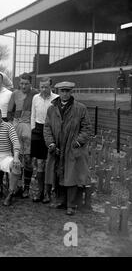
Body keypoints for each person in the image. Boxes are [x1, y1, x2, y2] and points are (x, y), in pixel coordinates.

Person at [44, 81, 92, 216]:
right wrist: (51, 144)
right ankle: (61, 201)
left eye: (67, 91)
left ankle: (71, 205)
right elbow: (47, 127)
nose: (64, 93)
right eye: (62, 91)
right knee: (58, 173)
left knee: (72, 176)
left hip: (72, 148)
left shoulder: (80, 108)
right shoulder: (52, 108)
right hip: (57, 147)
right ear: (58, 92)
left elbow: (87, 128)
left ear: (71, 92)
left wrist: (78, 142)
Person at [7, 73, 39, 199]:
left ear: (31, 84)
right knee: (17, 158)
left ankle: (26, 188)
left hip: (30, 128)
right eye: (21, 83)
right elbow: (9, 112)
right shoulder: (15, 94)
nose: (23, 86)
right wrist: (12, 124)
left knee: (28, 160)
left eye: (26, 83)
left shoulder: (35, 94)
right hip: (17, 127)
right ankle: (17, 186)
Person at [30, 77, 58, 203]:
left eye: (46, 87)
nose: (44, 89)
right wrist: (32, 129)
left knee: (50, 163)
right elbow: (33, 114)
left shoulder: (56, 98)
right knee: (40, 163)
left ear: (50, 86)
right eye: (41, 86)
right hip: (38, 130)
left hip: (51, 131)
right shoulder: (36, 98)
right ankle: (40, 192)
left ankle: (48, 193)